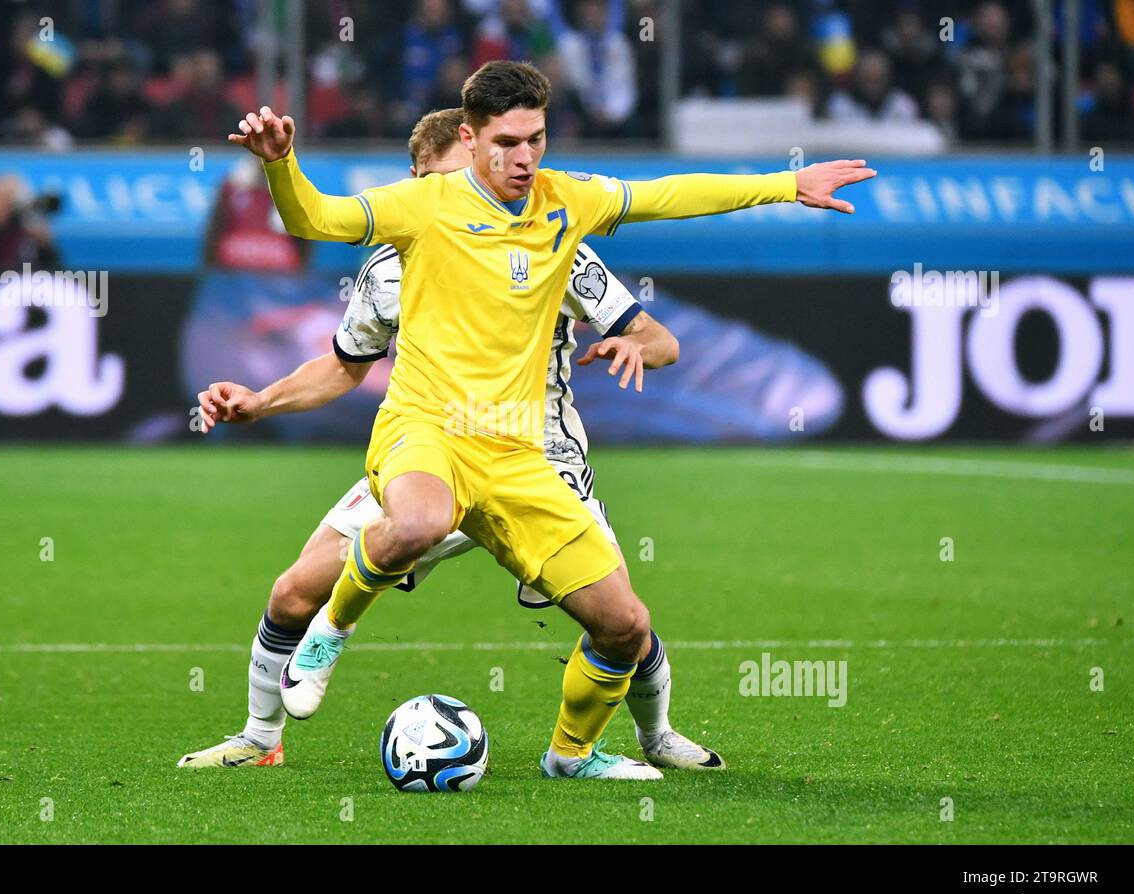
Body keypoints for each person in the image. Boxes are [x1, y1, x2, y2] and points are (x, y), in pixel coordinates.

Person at [225, 60, 874, 780]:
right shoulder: (423, 208)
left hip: (521, 451)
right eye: (506, 142)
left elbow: (670, 194)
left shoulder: (566, 203)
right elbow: (315, 217)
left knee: (624, 622)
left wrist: (787, 185)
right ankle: (328, 634)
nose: (525, 156)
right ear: (469, 140)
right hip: (427, 429)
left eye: (535, 138)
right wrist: (283, 165)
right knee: (413, 522)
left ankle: (573, 753)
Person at [180, 108, 719, 772]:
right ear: (417, 181)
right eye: (443, 184)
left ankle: (648, 735)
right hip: (432, 451)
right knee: (297, 589)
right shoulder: (390, 263)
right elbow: (347, 364)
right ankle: (261, 737)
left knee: (618, 618)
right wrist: (259, 402)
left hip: (536, 455)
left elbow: (656, 335)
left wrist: (638, 343)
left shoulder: (549, 236)